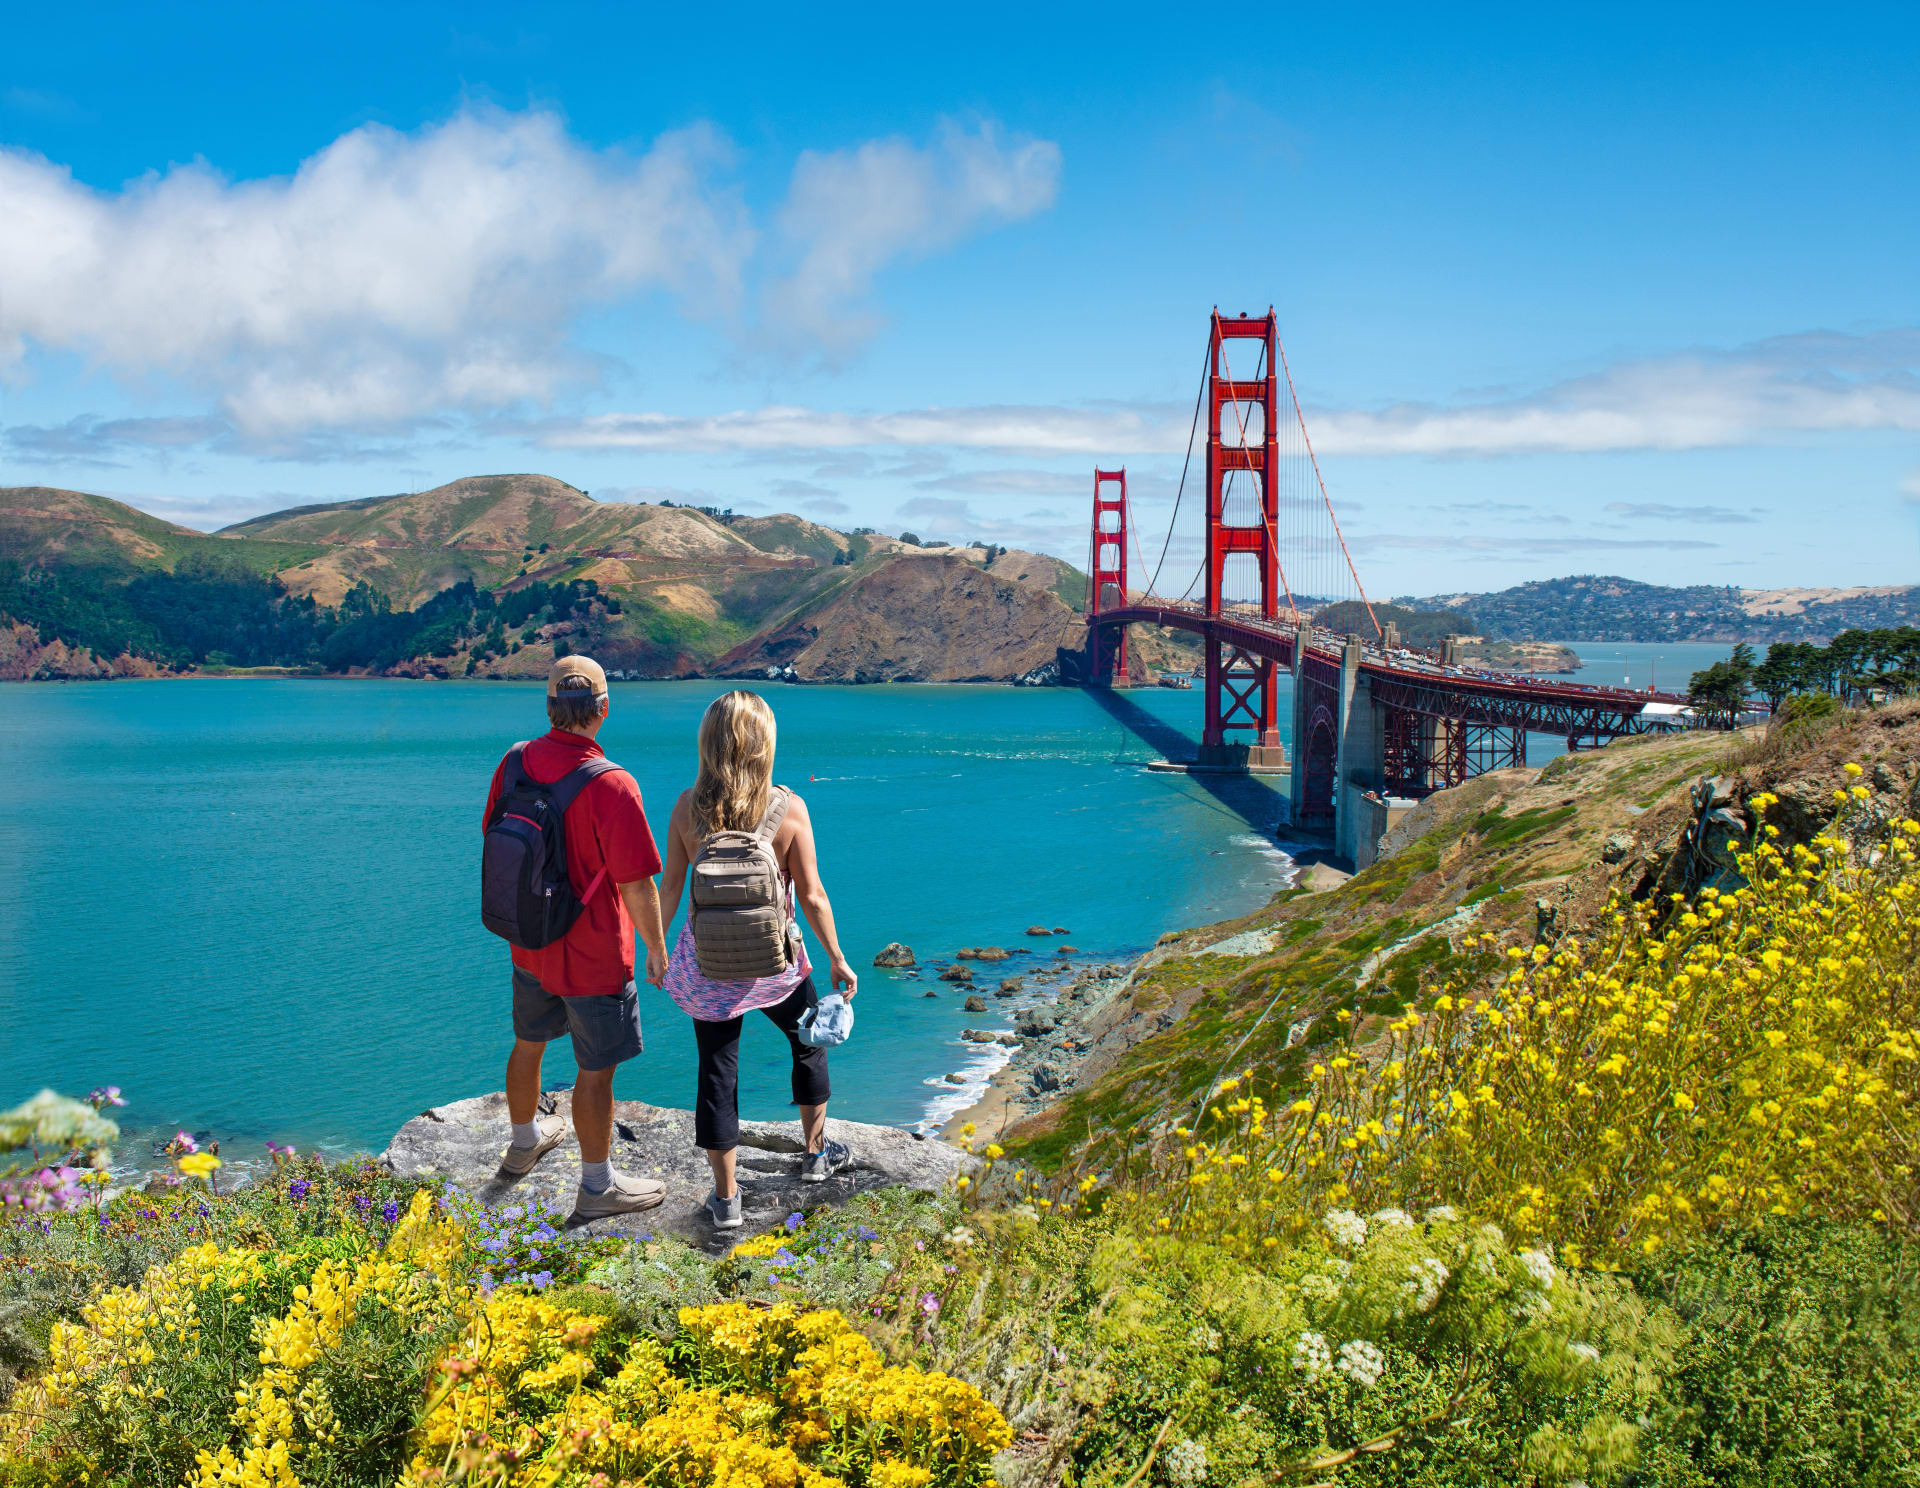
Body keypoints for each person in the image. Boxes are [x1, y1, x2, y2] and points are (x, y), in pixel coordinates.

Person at [656, 690, 858, 1230]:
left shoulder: (685, 807)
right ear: (764, 744)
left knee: (717, 1075)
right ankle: (816, 1155)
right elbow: (812, 896)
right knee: (808, 1045)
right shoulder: (788, 808)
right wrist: (838, 959)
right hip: (779, 966)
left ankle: (726, 1201)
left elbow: (671, 886)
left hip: (707, 969)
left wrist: (653, 949)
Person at [482, 656, 670, 1220]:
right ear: (603, 710)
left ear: (548, 708)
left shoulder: (513, 761)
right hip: (592, 955)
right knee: (595, 1070)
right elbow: (636, 883)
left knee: (529, 1042)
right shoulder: (613, 784)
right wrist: (657, 951)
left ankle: (523, 1144)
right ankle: (596, 1188)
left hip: (529, 941)